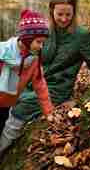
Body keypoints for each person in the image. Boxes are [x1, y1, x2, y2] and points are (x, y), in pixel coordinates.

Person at [0, 0, 90, 155]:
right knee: (8, 100)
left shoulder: (82, 35)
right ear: (51, 11)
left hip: (57, 89)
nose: (64, 19)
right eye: (59, 14)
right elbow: (24, 51)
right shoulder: (44, 32)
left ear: (74, 12)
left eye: (68, 14)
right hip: (33, 83)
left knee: (21, 108)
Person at [0, 9, 54, 154]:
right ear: (27, 38)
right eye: (39, 42)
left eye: (43, 43)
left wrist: (49, 112)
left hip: (6, 106)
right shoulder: (2, 52)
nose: (41, 46)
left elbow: (41, 87)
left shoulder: (33, 62)